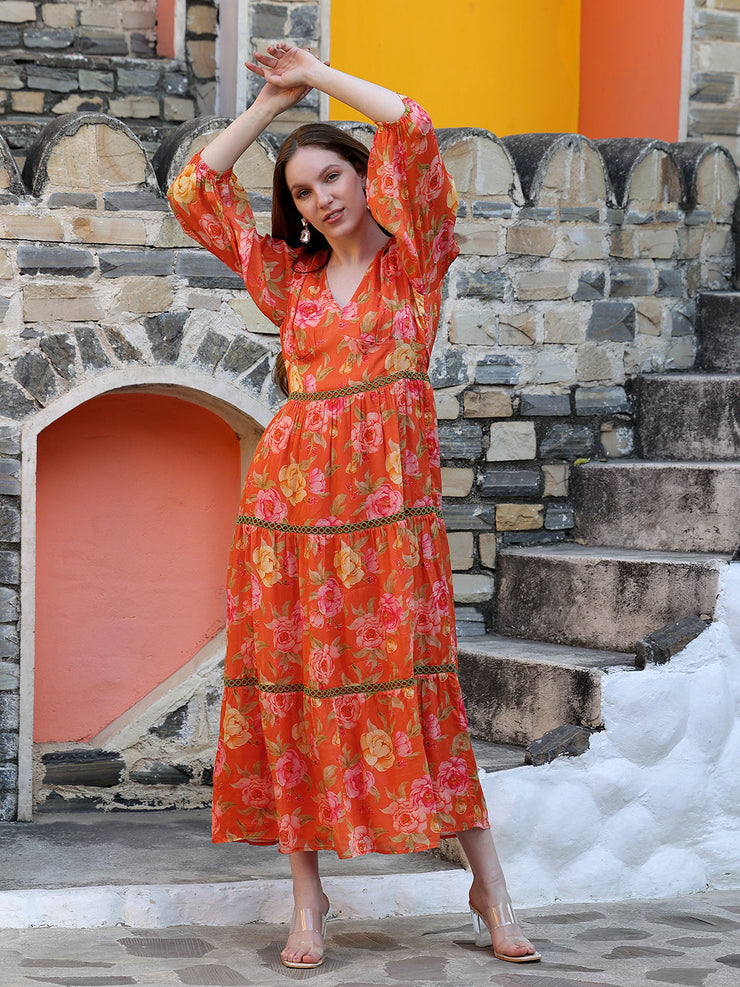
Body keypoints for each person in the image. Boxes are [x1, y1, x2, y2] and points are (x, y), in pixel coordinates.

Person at [168, 43, 540, 970]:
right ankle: (309, 898)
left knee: (421, 690)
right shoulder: (285, 280)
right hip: (288, 522)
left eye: (332, 174)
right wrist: (268, 103)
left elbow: (411, 122)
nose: (320, 199)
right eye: (300, 191)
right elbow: (191, 189)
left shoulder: (419, 260)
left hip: (388, 525)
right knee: (291, 693)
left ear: (365, 176)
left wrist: (319, 78)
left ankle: (489, 884)